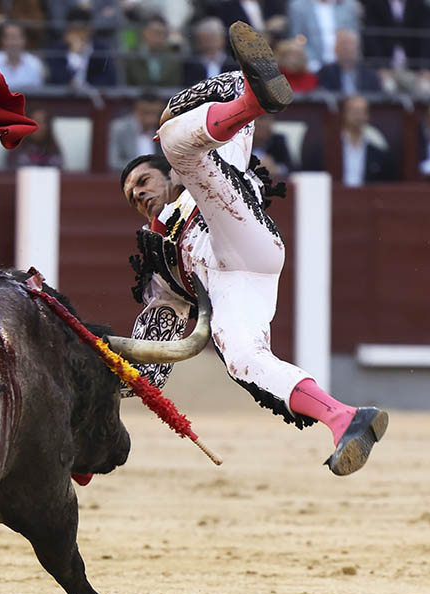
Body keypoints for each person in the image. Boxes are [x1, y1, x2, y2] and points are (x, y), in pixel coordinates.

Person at [121, 22, 387, 476]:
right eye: (131, 196)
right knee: (244, 359)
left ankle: (252, 98)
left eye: (143, 181)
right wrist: (114, 370)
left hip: (236, 226)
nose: (139, 194)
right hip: (237, 280)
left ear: (161, 174)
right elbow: (152, 358)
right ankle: (344, 418)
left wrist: (178, 110)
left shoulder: (190, 170)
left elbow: (218, 95)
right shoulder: (158, 263)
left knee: (179, 142)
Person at [303, 95, 396, 185]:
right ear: (344, 114)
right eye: (354, 111)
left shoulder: (378, 154)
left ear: (368, 116)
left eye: (362, 111)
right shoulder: (325, 150)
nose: (358, 116)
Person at [46, 5, 117, 88]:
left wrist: (87, 89)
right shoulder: (56, 50)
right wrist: (74, 56)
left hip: (92, 98)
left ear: (90, 30)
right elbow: (59, 79)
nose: (78, 35)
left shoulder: (101, 49)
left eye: (81, 30)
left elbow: (109, 78)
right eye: (74, 30)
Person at [286, 0, 359, 73]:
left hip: (342, 64)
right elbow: (298, 37)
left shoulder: (347, 5)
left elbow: (353, 36)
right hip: (312, 65)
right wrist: (311, 61)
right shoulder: (298, 6)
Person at [108, 91, 165, 171]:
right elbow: (114, 162)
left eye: (155, 114)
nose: (151, 119)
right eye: (146, 113)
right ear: (135, 111)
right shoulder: (119, 129)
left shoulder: (163, 132)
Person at [123, 14, 182, 88]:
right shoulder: (131, 56)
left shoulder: (173, 57)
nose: (158, 37)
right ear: (144, 32)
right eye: (154, 32)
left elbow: (175, 84)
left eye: (162, 33)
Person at [316, 29, 382, 95]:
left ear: (358, 48)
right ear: (335, 48)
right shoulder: (326, 72)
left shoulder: (370, 74)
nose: (347, 48)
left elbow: (379, 98)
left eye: (351, 44)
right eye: (343, 44)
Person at [0, 21, 45, 91]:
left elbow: (38, 94)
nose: (13, 43)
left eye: (16, 38)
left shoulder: (35, 64)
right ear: (2, 40)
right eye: (9, 38)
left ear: (24, 40)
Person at [182, 16, 238, 86]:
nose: (210, 44)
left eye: (213, 38)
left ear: (223, 39)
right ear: (198, 41)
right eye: (206, 39)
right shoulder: (190, 64)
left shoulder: (234, 62)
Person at [250, 114, 293, 178]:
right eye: (259, 128)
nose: (262, 133)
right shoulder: (243, 143)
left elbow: (290, 167)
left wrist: (276, 169)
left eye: (266, 128)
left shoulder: (278, 141)